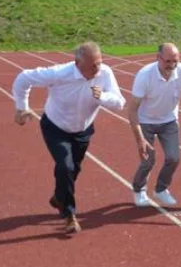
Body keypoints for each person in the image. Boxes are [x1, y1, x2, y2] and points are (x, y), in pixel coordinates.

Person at [12, 41, 125, 234]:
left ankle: (59, 197)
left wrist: (102, 97)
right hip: (56, 127)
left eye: (99, 63)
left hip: (83, 130)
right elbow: (23, 78)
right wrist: (21, 107)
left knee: (73, 171)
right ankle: (69, 215)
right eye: (92, 65)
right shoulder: (59, 73)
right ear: (77, 63)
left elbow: (120, 103)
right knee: (66, 166)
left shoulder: (105, 73)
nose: (97, 69)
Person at [127, 43, 181, 208]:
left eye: (175, 61)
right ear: (158, 58)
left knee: (173, 158)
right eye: (168, 61)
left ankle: (161, 189)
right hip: (145, 120)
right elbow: (132, 108)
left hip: (168, 120)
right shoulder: (145, 75)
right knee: (148, 160)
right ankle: (138, 189)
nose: (172, 65)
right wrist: (139, 137)